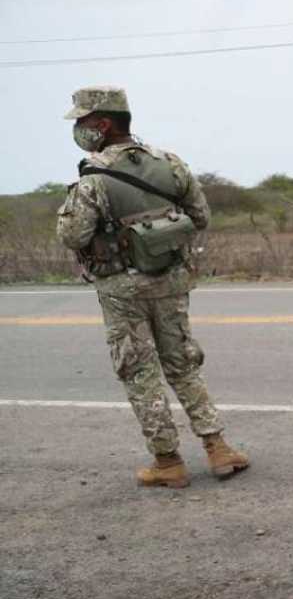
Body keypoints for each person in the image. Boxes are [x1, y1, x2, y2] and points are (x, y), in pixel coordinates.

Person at [55, 85, 249, 489]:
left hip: (122, 287)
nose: (78, 128)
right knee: (182, 362)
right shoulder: (170, 163)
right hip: (171, 278)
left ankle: (167, 461)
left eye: (82, 121)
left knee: (139, 370)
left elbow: (73, 235)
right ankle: (218, 448)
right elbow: (200, 215)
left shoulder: (92, 178)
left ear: (102, 124)